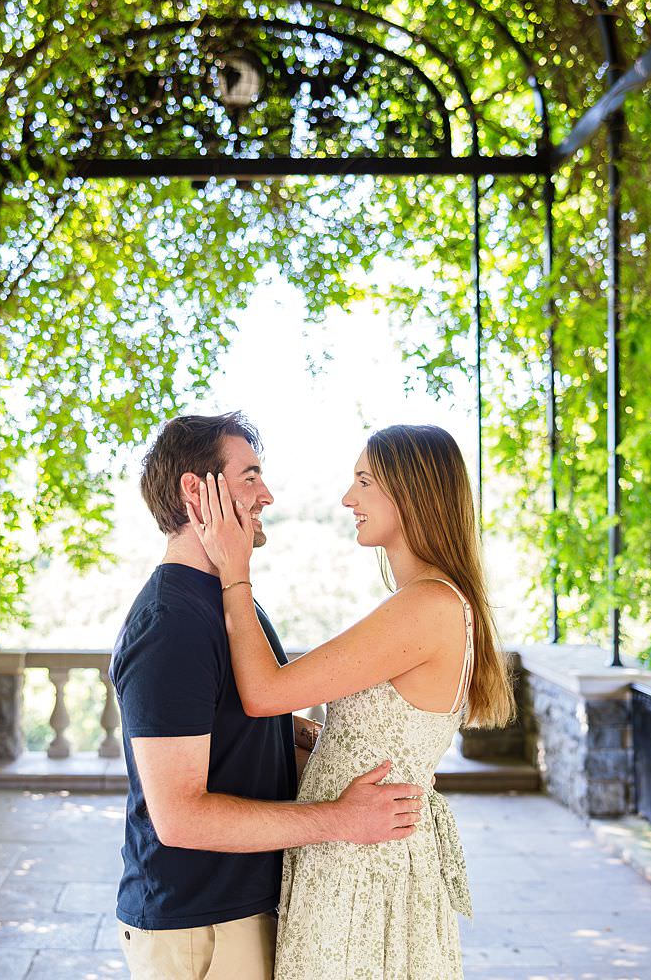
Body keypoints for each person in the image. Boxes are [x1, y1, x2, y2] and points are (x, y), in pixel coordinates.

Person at [191, 423, 517, 980]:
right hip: (364, 857)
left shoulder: (427, 605)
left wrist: (233, 572)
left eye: (364, 481)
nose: (348, 498)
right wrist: (324, 738)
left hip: (364, 872)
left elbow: (266, 691)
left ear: (410, 493)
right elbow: (383, 726)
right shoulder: (429, 601)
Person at [110, 412, 426, 980]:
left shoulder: (229, 600)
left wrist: (323, 734)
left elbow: (233, 718)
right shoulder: (171, 623)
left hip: (239, 910)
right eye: (250, 477)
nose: (268, 495)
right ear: (194, 489)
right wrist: (340, 819)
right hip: (198, 928)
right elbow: (179, 817)